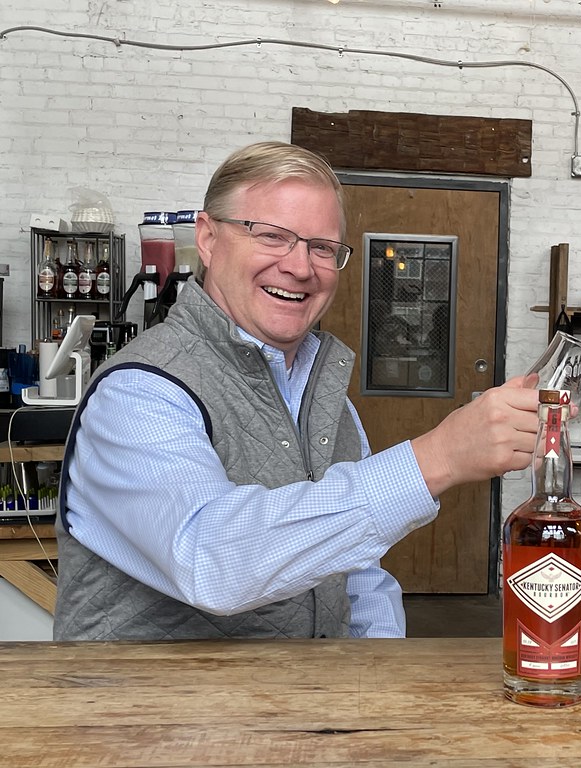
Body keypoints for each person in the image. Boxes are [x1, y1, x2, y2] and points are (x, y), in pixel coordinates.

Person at [54, 141, 540, 641]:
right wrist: (439, 456)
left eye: (322, 247)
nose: (301, 267)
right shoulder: (139, 391)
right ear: (207, 238)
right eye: (272, 236)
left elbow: (358, 573)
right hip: (147, 714)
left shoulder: (327, 398)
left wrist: (379, 679)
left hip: (303, 707)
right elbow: (211, 561)